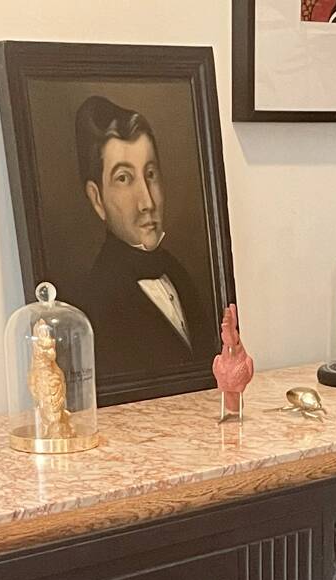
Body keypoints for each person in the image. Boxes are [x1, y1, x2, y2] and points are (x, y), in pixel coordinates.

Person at [74, 95, 214, 376]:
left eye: (150, 174)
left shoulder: (178, 273)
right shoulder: (99, 301)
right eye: (124, 178)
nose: (147, 202)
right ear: (97, 199)